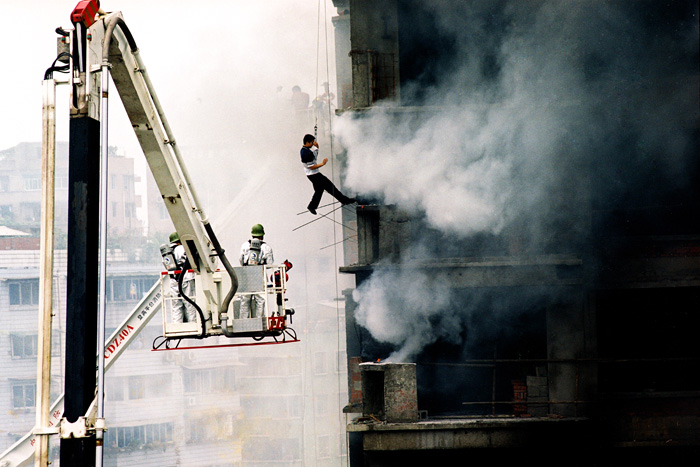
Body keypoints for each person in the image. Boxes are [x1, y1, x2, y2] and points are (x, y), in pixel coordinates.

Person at [300, 134, 355, 214]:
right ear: (307, 142)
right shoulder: (305, 153)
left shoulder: (307, 149)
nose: (313, 144)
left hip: (313, 174)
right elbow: (311, 167)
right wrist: (322, 164)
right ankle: (344, 200)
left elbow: (314, 156)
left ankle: (312, 206)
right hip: (314, 175)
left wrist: (316, 147)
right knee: (330, 186)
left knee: (319, 190)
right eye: (312, 142)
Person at [239, 224, 274, 318]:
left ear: (252, 234)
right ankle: (260, 321)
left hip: (246, 274)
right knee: (260, 300)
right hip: (259, 274)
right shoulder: (266, 247)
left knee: (245, 300)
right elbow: (270, 265)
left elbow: (241, 261)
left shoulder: (244, 245)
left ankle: (243, 321)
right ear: (262, 235)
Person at [161, 232, 196, 323]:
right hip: (186, 278)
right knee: (189, 302)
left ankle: (177, 324)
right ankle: (192, 323)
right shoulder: (182, 248)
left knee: (176, 304)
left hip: (173, 280)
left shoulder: (167, 252)